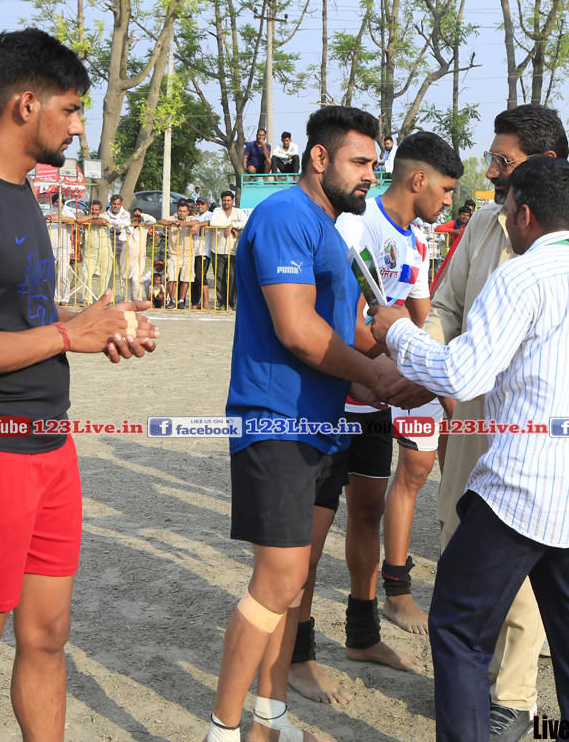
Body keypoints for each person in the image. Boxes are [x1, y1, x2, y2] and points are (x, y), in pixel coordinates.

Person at [0, 28, 159, 742]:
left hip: (49, 445)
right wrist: (66, 337)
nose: (79, 127)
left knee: (48, 638)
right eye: (71, 110)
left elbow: (24, 316)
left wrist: (93, 323)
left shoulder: (20, 190)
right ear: (25, 105)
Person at [369, 155, 569, 742]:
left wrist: (395, 332)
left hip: (520, 492)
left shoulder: (522, 277)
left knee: (458, 628)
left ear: (523, 214)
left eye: (507, 211)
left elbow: (463, 373)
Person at [206, 105, 404, 742]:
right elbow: (297, 330)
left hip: (319, 426)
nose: (371, 175)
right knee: (278, 582)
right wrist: (376, 375)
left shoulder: (329, 230)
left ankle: (269, 718)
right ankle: (223, 731)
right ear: (319, 158)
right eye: (360, 162)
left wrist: (418, 367)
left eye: (375, 163)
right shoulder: (285, 215)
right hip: (277, 423)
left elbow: (347, 336)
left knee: (293, 585)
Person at [424, 103, 569, 739]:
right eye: (492, 158)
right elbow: (446, 305)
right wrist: (442, 378)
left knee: (521, 567)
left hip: (530, 432)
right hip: (469, 414)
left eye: (503, 161)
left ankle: (513, 695)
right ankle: (467, 688)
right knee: (458, 542)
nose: (492, 171)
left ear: (543, 164)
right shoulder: (482, 224)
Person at [288, 132, 461, 706]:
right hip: (337, 398)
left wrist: (422, 375)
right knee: (310, 539)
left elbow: (412, 319)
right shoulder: (355, 225)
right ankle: (299, 656)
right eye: (446, 189)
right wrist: (383, 371)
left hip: (377, 398)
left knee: (366, 512)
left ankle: (362, 635)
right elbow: (335, 318)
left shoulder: (416, 238)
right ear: (419, 180)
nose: (450, 201)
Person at [77, 199, 121, 305]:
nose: (94, 211)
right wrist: (91, 217)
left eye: (96, 210)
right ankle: (87, 300)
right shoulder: (87, 217)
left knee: (103, 277)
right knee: (86, 275)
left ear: (100, 210)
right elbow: (78, 220)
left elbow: (103, 222)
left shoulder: (105, 216)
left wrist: (90, 221)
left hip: (104, 251)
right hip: (90, 252)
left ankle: (101, 301)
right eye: (92, 209)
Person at [209, 191, 246, 310]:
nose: (226, 202)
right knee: (219, 278)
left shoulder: (238, 212)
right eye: (224, 200)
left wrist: (233, 226)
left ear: (232, 201)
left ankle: (233, 302)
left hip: (233, 250)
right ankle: (221, 302)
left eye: (228, 200)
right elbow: (213, 222)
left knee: (233, 278)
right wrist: (229, 226)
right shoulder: (217, 211)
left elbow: (246, 222)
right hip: (218, 249)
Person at [158, 201, 198, 309]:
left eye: (184, 211)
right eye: (180, 211)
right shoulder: (173, 218)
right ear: (177, 211)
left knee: (186, 279)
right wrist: (173, 223)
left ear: (187, 212)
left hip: (188, 254)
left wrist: (185, 224)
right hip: (173, 253)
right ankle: (172, 300)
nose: (182, 213)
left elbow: (197, 222)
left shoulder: (190, 218)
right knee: (171, 278)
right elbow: (161, 221)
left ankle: (181, 301)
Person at [44, 192, 78, 304]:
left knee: (62, 274)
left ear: (63, 203)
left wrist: (59, 218)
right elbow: (39, 218)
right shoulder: (48, 212)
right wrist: (47, 217)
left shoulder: (67, 213)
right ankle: (55, 298)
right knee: (51, 274)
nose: (58, 204)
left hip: (64, 248)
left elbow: (72, 220)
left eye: (60, 202)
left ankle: (64, 298)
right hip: (50, 248)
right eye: (56, 202)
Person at [120, 207, 157, 303]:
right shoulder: (126, 225)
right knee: (126, 280)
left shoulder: (144, 226)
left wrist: (141, 215)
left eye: (138, 216)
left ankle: (138, 300)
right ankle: (128, 300)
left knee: (135, 279)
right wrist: (130, 224)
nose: (136, 218)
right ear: (132, 216)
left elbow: (153, 220)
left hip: (139, 259)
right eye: (135, 216)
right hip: (126, 258)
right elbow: (116, 222)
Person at [192, 196, 212, 308]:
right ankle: (196, 302)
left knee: (201, 276)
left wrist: (198, 224)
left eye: (202, 204)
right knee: (194, 278)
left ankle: (206, 302)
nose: (200, 206)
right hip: (193, 250)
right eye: (198, 204)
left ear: (207, 205)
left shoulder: (210, 214)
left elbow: (211, 222)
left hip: (204, 250)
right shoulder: (194, 216)